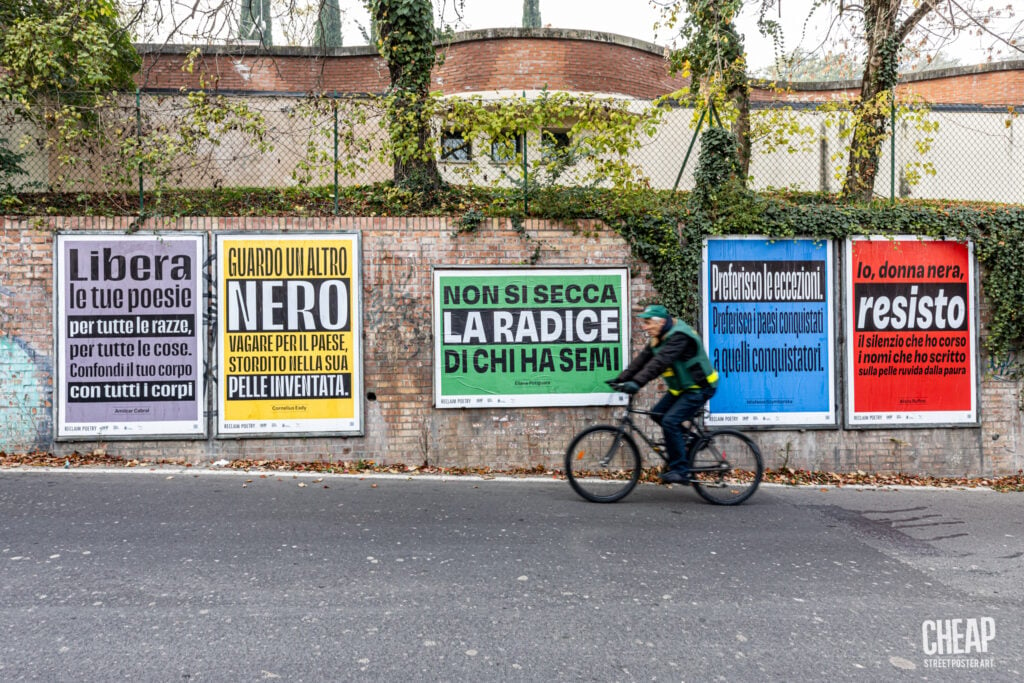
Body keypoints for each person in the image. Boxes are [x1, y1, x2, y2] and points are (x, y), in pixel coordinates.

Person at [610, 304, 718, 484]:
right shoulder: (659, 337)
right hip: (683, 388)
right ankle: (693, 440)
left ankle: (681, 470)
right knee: (657, 414)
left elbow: (659, 362)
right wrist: (621, 378)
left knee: (670, 421)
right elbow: (642, 360)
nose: (644, 327)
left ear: (659, 322)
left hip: (700, 387)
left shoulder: (679, 336)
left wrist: (636, 383)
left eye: (647, 323)